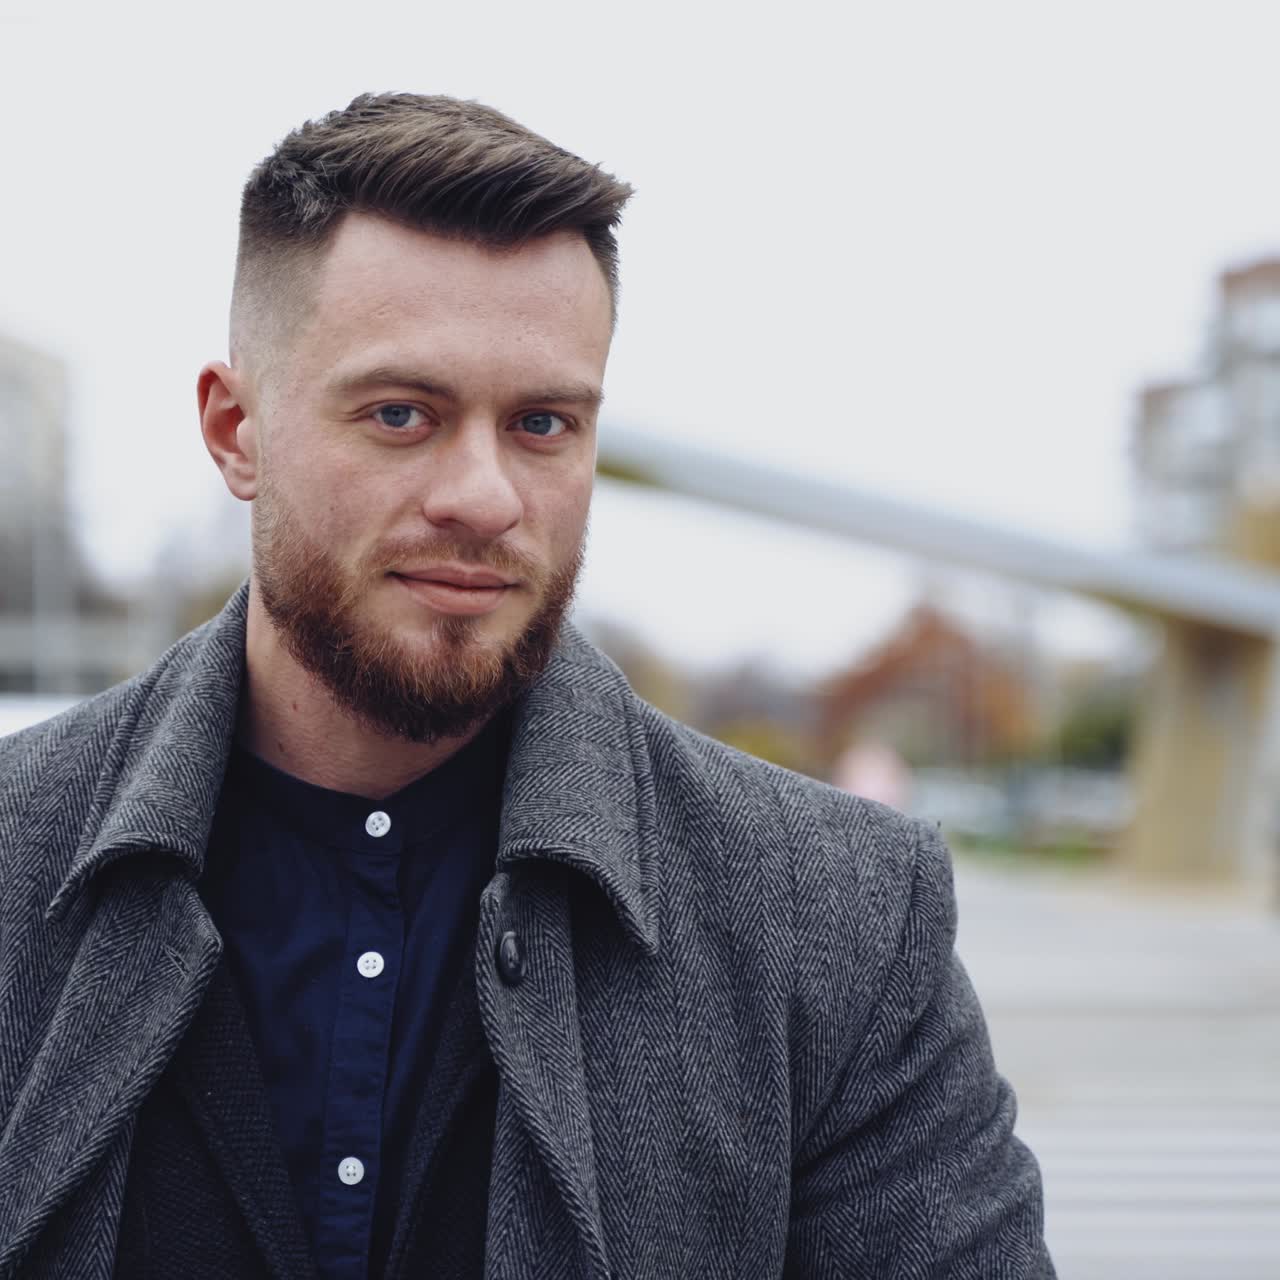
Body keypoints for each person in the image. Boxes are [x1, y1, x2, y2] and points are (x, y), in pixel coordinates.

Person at [0, 93, 1054, 1279]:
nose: (484, 496)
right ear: (236, 428)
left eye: (542, 423)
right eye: (401, 413)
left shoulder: (838, 925)